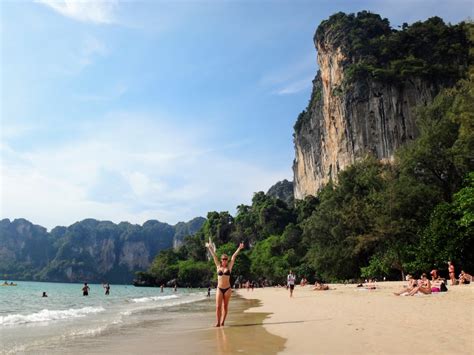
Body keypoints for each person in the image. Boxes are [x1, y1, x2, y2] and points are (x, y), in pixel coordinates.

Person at [205, 237, 244, 327]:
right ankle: (218, 323)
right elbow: (214, 256)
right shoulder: (218, 266)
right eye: (223, 259)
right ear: (221, 260)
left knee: (225, 306)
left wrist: (239, 248)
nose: (224, 260)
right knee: (218, 307)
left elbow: (234, 256)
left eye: (226, 259)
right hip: (219, 288)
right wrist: (209, 247)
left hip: (227, 289)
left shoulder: (229, 267)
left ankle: (222, 322)